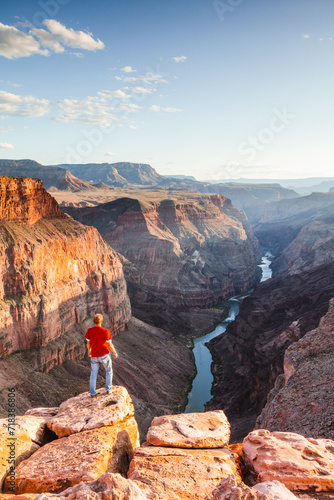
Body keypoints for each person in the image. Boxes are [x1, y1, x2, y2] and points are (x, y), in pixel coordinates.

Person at [85, 313, 118, 397]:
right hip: (104, 355)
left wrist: (89, 351)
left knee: (93, 374)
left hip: (94, 356)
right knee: (109, 371)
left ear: (93, 321)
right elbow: (109, 344)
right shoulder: (105, 331)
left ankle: (92, 393)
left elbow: (88, 343)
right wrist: (114, 352)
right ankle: (108, 389)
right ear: (101, 321)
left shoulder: (90, 330)